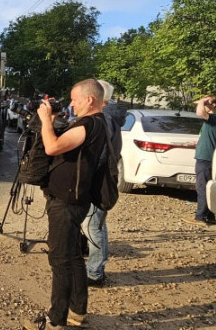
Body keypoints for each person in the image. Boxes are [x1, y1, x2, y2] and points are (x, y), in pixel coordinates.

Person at [23, 78, 107, 330]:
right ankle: (77, 311)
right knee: (72, 257)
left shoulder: (90, 123)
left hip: (67, 201)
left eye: (75, 99)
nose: (72, 104)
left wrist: (46, 121)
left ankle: (56, 319)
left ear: (89, 99)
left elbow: (52, 147)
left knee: (59, 260)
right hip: (74, 199)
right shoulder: (98, 124)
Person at [81, 80, 126, 287]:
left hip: (98, 180)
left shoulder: (104, 118)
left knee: (92, 225)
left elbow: (100, 153)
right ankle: (97, 266)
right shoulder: (113, 117)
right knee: (98, 224)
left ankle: (94, 271)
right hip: (106, 178)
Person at [187, 94, 216, 225]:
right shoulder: (212, 121)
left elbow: (199, 111)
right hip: (207, 157)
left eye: (207, 103)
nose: (203, 105)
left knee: (202, 187)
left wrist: (202, 101)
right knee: (208, 187)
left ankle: (200, 216)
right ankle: (209, 215)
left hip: (206, 158)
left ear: (213, 105)